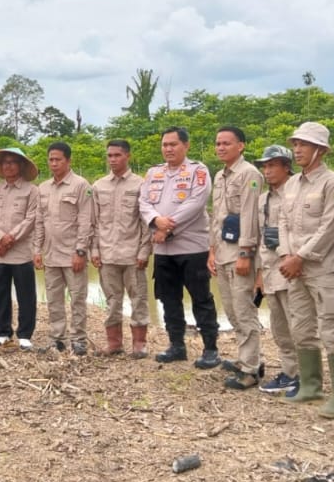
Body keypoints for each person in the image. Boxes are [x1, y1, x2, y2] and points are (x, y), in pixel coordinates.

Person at [279, 122, 334, 418]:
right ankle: (310, 385)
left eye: (303, 145)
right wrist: (286, 254)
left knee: (330, 329)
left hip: (323, 269)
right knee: (301, 328)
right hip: (294, 268)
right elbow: (282, 221)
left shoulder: (333, 183)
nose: (297, 150)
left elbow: (329, 229)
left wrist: (301, 257)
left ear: (320, 150)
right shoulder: (292, 184)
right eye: (295, 144)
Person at [138, 126, 218, 368]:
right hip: (163, 251)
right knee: (168, 299)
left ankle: (211, 349)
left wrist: (166, 228)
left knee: (201, 298)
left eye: (173, 144)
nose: (168, 149)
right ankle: (176, 346)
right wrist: (155, 221)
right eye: (165, 145)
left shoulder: (198, 171)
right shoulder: (153, 173)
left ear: (186, 146)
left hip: (192, 248)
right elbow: (143, 202)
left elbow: (196, 203)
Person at [208, 126, 263, 390]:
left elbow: (250, 217)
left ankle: (251, 369)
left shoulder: (249, 174)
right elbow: (217, 217)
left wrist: (246, 254)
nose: (220, 147)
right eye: (218, 143)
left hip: (240, 255)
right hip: (221, 253)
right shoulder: (220, 175)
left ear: (240, 146)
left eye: (226, 143)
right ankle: (246, 359)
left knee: (244, 311)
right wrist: (211, 250)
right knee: (231, 310)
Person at [89, 139, 150, 358]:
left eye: (117, 155)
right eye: (110, 156)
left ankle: (140, 343)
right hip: (107, 254)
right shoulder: (98, 186)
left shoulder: (140, 185)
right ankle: (114, 343)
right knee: (112, 301)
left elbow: (146, 223)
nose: (113, 159)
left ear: (128, 157)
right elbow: (94, 222)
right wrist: (94, 250)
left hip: (132, 255)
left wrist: (144, 252)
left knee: (139, 299)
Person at [33, 141, 93, 356]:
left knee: (77, 298)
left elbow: (86, 221)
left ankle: (78, 339)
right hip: (50, 254)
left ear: (68, 160)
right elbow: (39, 222)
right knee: (54, 299)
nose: (54, 163)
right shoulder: (43, 188)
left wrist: (80, 251)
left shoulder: (81, 185)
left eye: (58, 159)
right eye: (51, 159)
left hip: (72, 254)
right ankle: (57, 338)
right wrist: (37, 250)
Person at [254, 145, 300, 397]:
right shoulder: (263, 199)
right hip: (271, 271)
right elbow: (262, 239)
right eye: (265, 165)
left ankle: (305, 375)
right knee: (279, 327)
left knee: (299, 326)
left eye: (273, 165)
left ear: (286, 166)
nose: (267, 170)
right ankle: (289, 372)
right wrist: (260, 274)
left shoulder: (296, 194)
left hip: (292, 270)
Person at [0, 145, 39, 350]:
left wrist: (9, 239)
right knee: (0, 293)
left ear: (21, 166)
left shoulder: (32, 191)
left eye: (13, 162)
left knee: (26, 294)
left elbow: (31, 218)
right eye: (5, 162)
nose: (8, 166)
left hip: (21, 252)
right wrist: (0, 237)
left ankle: (25, 334)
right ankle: (3, 332)